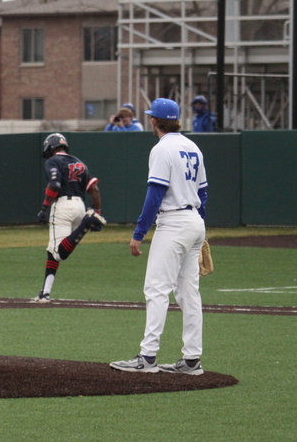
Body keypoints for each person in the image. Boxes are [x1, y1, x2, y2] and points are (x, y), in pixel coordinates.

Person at [110, 98, 208, 375]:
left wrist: (139, 233)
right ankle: (191, 360)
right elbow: (203, 194)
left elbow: (155, 195)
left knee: (156, 289)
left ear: (154, 120)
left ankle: (148, 356)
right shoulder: (193, 147)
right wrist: (202, 227)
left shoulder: (161, 149)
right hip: (193, 221)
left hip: (174, 222)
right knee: (189, 293)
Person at [32, 133, 105, 302]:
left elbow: (55, 184)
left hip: (63, 205)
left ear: (51, 147)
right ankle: (45, 291)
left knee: (59, 253)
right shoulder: (80, 163)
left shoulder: (53, 161)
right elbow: (94, 190)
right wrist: (98, 212)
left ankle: (86, 224)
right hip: (79, 206)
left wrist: (44, 207)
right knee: (52, 249)